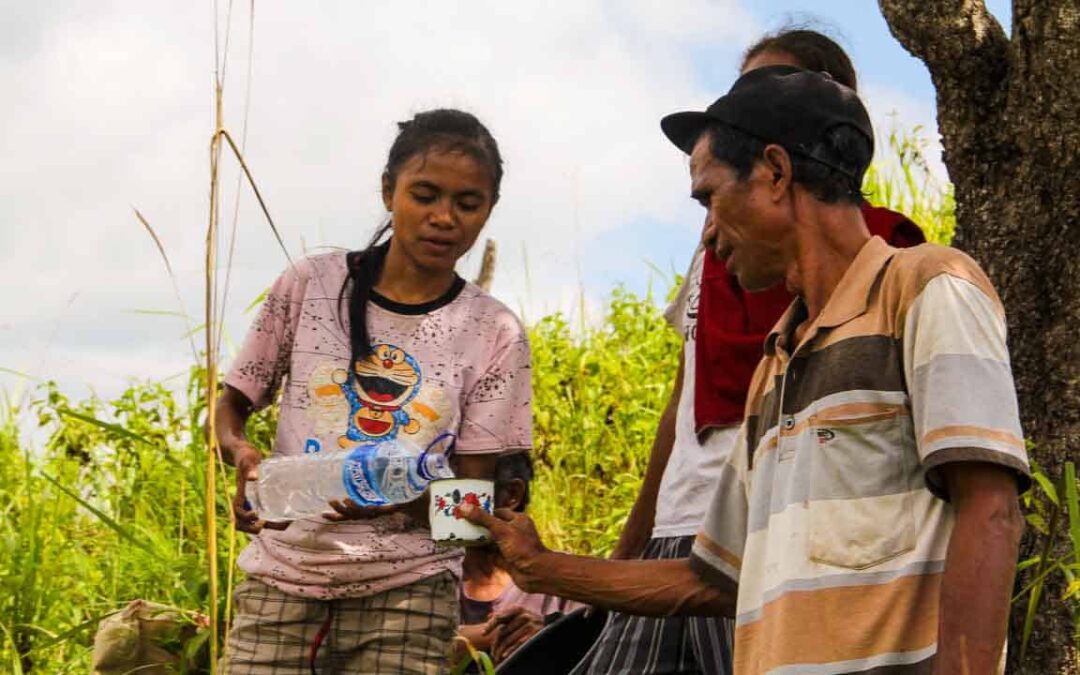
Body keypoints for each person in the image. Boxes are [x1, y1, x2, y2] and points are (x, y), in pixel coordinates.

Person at [465, 66, 1028, 674]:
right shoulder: (775, 365)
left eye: (709, 197)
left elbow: (990, 510)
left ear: (775, 173)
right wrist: (538, 565)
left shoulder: (925, 287)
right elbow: (711, 580)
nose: (707, 233)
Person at [586, 29, 924, 675]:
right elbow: (681, 408)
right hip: (679, 528)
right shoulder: (720, 251)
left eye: (772, 91)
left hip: (775, 538)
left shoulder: (884, 261)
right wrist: (623, 555)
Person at [215, 108, 533, 674]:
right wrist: (239, 453)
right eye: (425, 195)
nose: (444, 218)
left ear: (488, 211)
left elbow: (471, 503)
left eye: (467, 204)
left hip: (409, 594)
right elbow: (233, 404)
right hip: (282, 582)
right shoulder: (311, 285)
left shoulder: (495, 331)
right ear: (389, 191)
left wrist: (397, 499)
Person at [454, 452, 580, 667]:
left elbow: (590, 641)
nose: (449, 503)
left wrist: (546, 631)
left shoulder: (563, 578)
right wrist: (494, 634)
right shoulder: (428, 575)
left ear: (512, 494)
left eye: (463, 488)